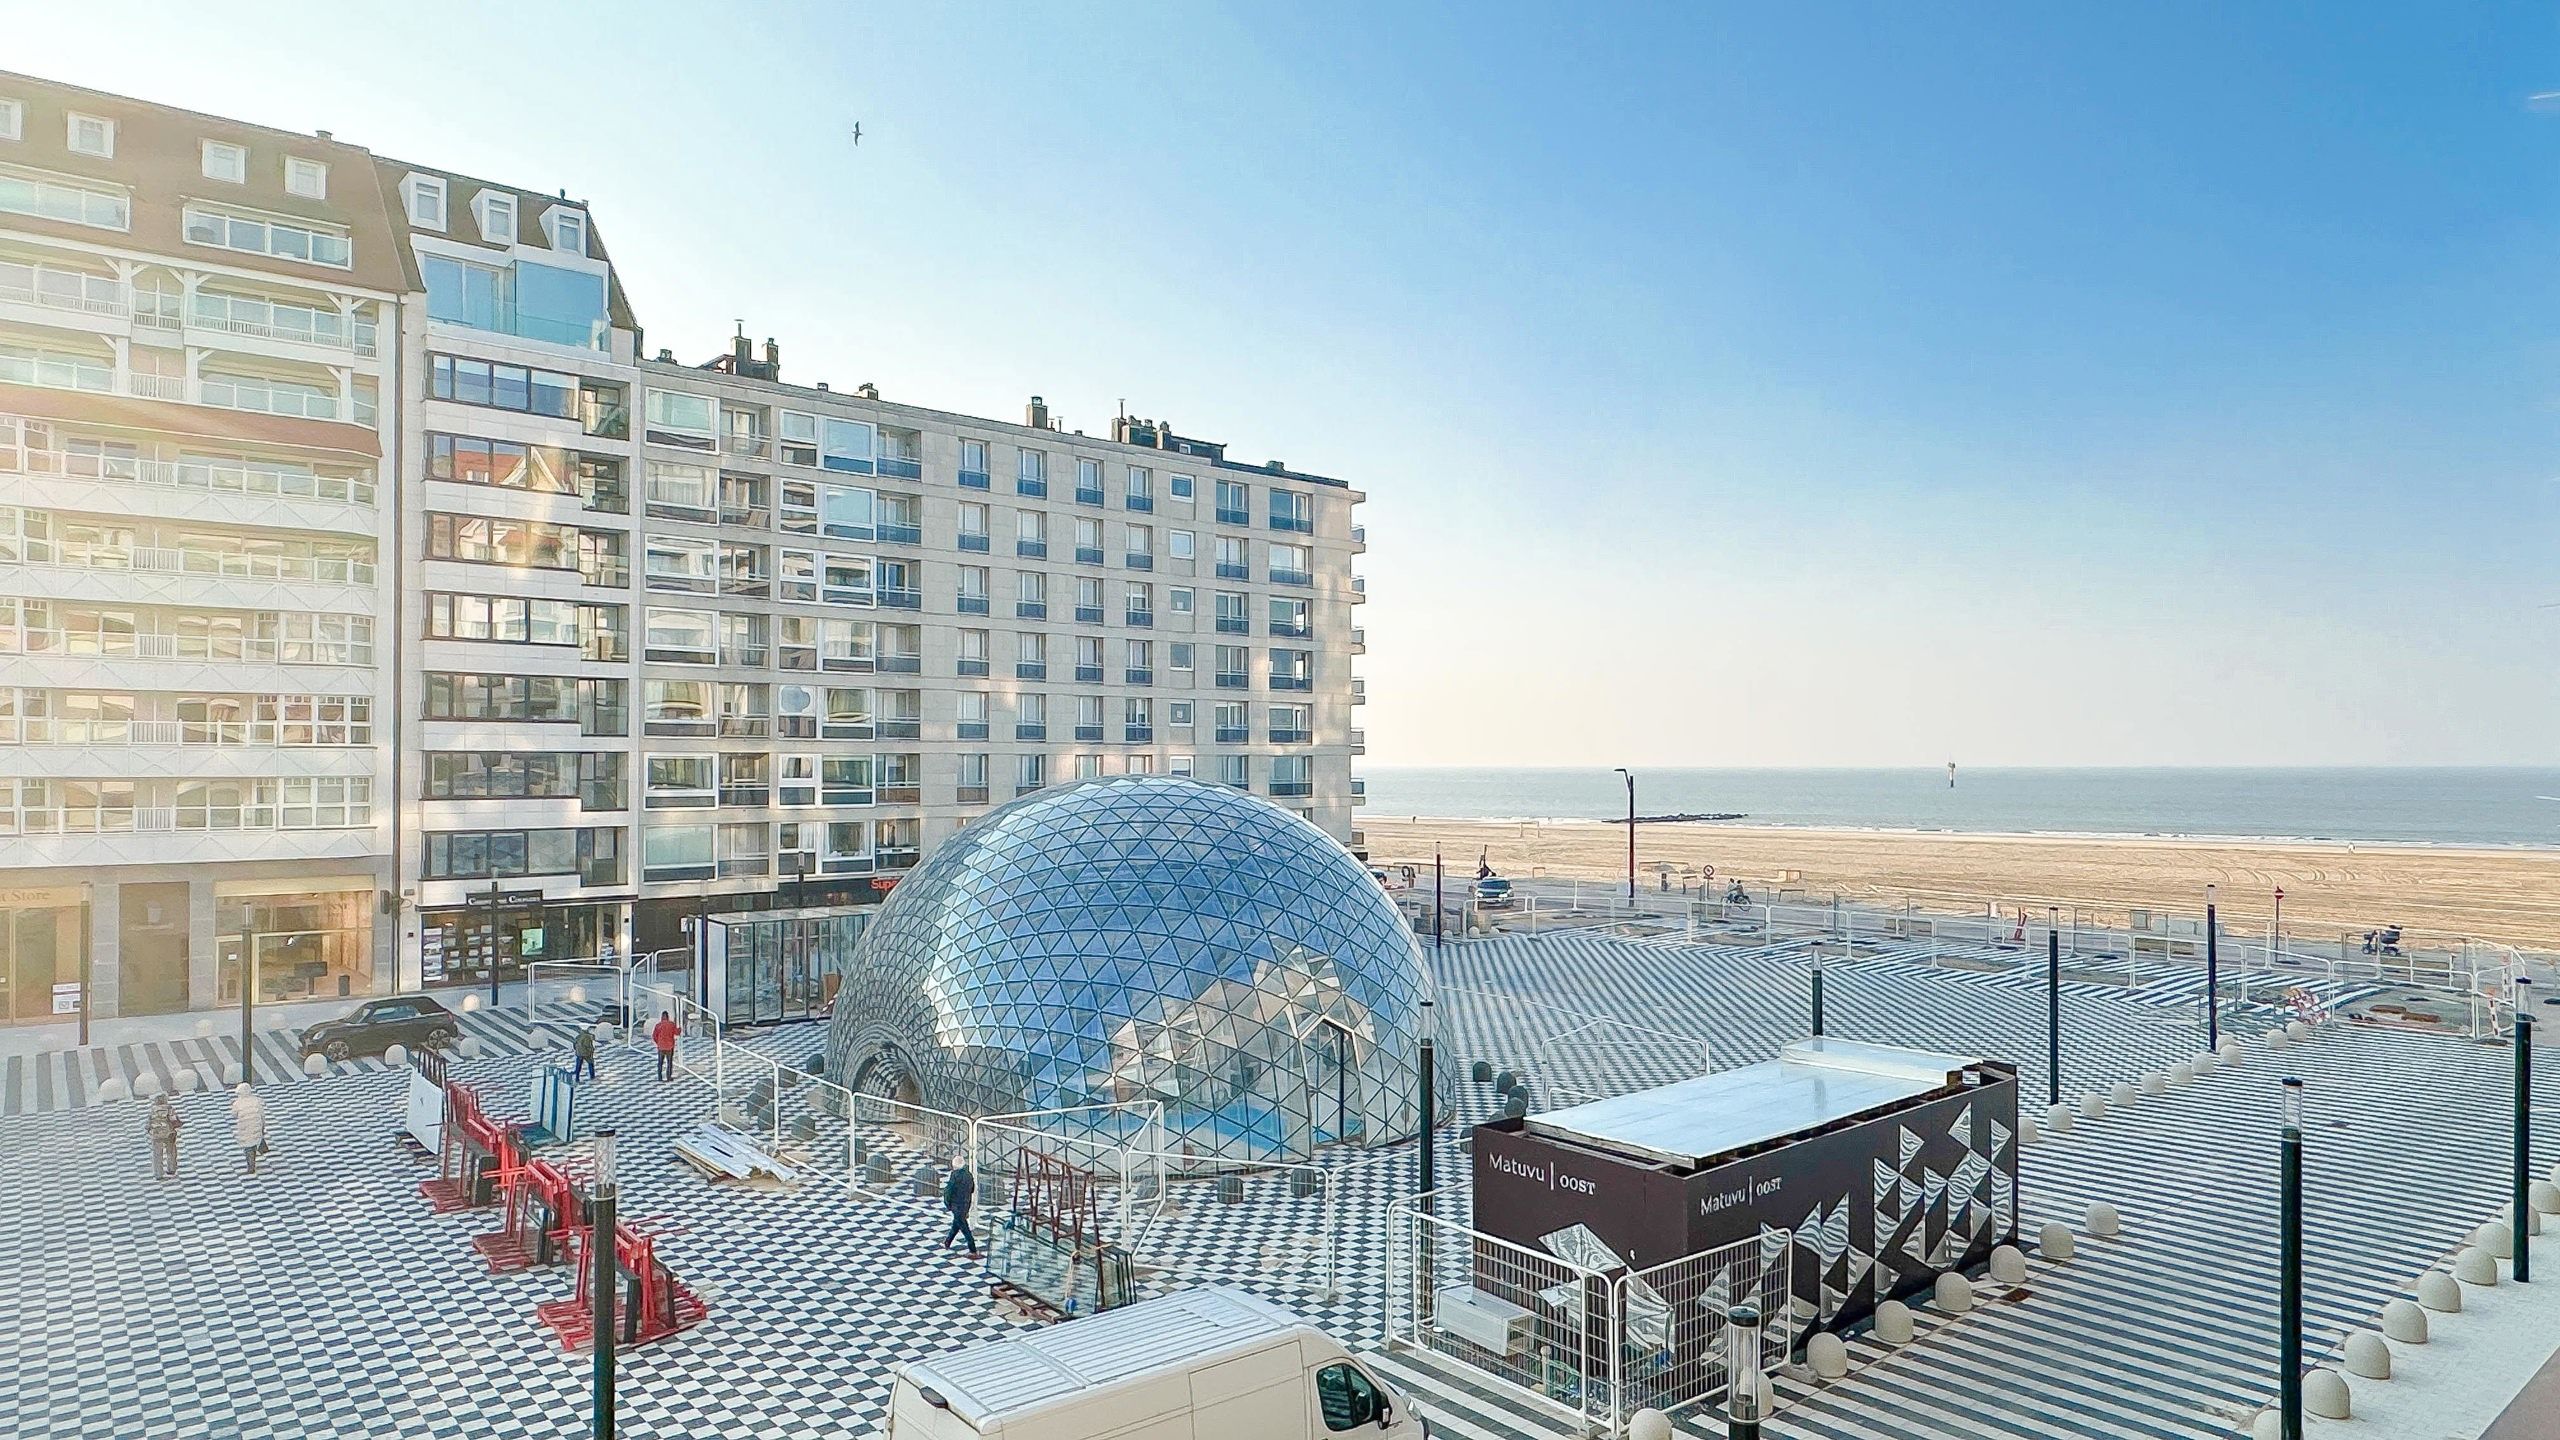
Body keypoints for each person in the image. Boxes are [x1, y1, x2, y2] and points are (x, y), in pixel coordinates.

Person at [941, 1152, 979, 1256]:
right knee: (957, 1224)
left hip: (956, 1205)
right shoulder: (969, 1175)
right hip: (966, 1204)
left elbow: (949, 1190)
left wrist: (947, 1204)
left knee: (964, 1228)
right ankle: (947, 1242)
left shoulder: (955, 1175)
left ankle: (973, 1249)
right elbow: (972, 1189)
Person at [231, 1082, 268, 1176]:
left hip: (244, 1128)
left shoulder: (237, 1103)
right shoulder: (256, 1100)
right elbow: (262, 1114)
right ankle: (262, 1148)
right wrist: (263, 1125)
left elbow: (234, 1115)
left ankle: (251, 1165)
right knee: (257, 1137)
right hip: (256, 1125)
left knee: (248, 1146)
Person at [146, 1092, 182, 1181]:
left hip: (156, 1135)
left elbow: (148, 1124)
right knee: (171, 1152)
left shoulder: (152, 1110)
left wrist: (151, 1131)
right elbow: (173, 1120)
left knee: (157, 1154)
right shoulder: (169, 1108)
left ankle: (158, 1173)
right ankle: (171, 1169)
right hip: (168, 1133)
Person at [650, 1010, 680, 1082]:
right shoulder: (671, 1024)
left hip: (661, 1047)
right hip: (669, 1046)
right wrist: (680, 1028)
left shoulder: (658, 1025)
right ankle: (668, 1077)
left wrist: (658, 1043)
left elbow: (654, 1036)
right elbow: (677, 1033)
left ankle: (659, 1077)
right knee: (669, 1062)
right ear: (668, 1017)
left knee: (660, 1063)